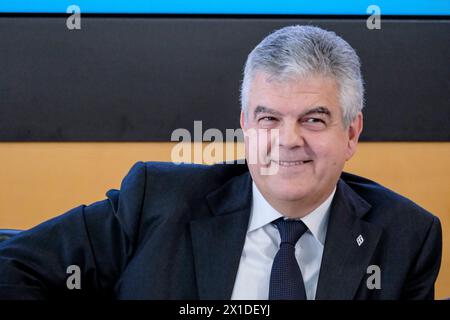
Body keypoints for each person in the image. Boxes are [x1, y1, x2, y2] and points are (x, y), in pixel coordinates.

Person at [0, 25, 442, 300]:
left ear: (350, 133)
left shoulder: (406, 237)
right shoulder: (156, 202)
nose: (288, 141)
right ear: (246, 127)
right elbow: (14, 267)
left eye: (313, 119)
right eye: (269, 118)